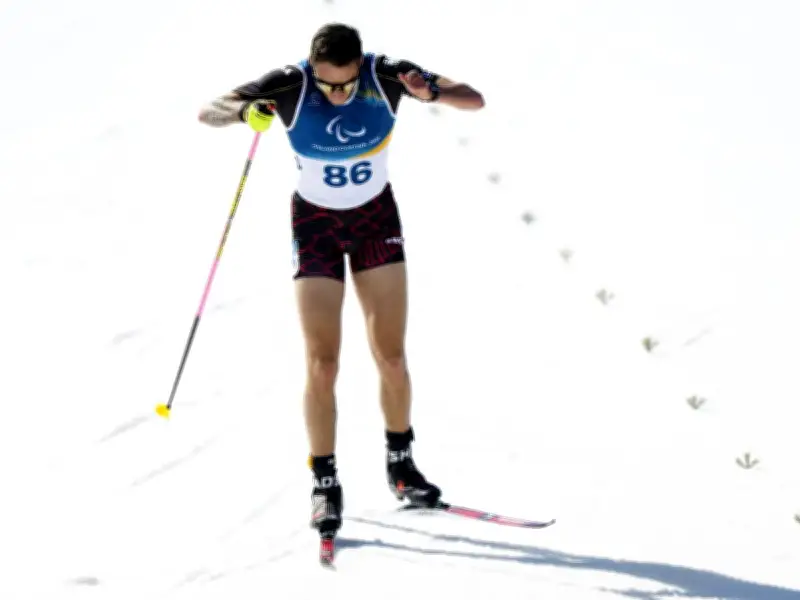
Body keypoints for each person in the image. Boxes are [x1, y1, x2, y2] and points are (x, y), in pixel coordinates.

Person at [198, 23, 485, 540]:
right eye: (328, 85)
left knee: (391, 356)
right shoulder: (290, 84)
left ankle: (401, 466)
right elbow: (209, 110)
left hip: (377, 220)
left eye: (346, 85)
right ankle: (325, 485)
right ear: (313, 67)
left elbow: (475, 99)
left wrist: (433, 91)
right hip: (315, 227)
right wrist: (247, 112)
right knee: (322, 362)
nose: (337, 94)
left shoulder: (386, 74)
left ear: (359, 67)